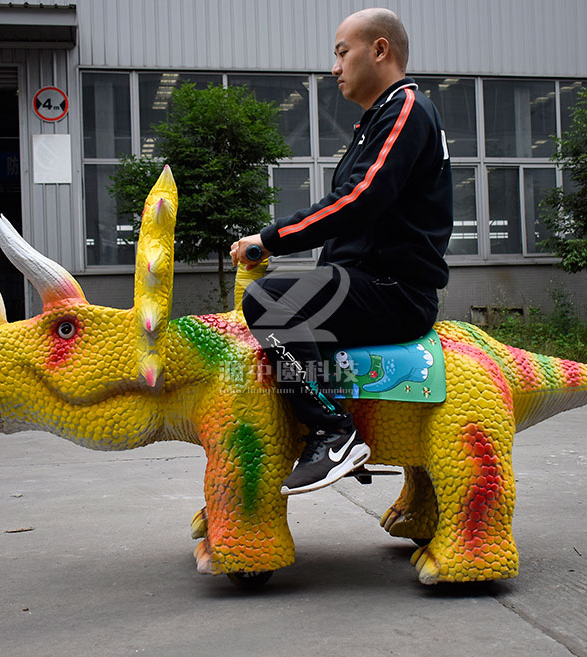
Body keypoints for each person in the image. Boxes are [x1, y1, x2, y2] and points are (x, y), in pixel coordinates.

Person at [230, 7, 453, 496]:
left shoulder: (406, 108)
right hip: (367, 282)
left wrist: (268, 239)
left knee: (269, 301)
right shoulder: (375, 121)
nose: (334, 68)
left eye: (341, 52)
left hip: (394, 291)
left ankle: (333, 432)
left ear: (379, 49)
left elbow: (358, 200)